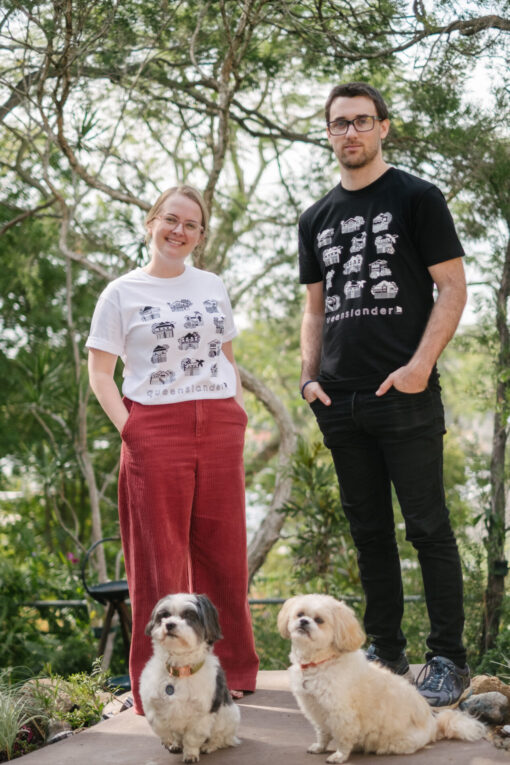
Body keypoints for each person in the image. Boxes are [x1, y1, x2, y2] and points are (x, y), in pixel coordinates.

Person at [298, 82, 470, 708]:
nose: (350, 133)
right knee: (370, 531)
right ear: (329, 133)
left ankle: (448, 658)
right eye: (339, 124)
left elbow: (452, 287)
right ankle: (387, 650)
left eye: (361, 122)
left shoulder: (417, 197)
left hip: (404, 391)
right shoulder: (315, 216)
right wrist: (308, 378)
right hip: (338, 400)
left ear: (383, 128)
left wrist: (420, 366)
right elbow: (315, 307)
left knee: (427, 527)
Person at [86, 185, 259, 713]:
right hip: (154, 426)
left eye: (191, 225)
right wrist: (130, 429)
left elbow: (225, 354)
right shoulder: (121, 292)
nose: (179, 231)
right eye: (171, 220)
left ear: (200, 236)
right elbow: (100, 373)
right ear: (151, 223)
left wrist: (236, 410)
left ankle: (232, 672)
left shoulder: (211, 284)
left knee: (224, 551)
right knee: (160, 557)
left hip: (219, 420)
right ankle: (159, 684)